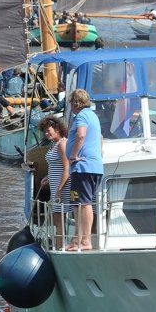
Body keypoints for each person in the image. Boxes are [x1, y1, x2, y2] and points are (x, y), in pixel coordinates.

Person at [65, 89, 103, 251]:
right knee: (77, 203)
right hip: (91, 167)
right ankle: (77, 239)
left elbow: (81, 135)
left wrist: (73, 156)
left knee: (83, 203)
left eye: (71, 103)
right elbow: (100, 138)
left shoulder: (81, 116)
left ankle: (84, 241)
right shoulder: (93, 115)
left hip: (83, 168)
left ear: (75, 103)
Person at [37, 116, 71, 246]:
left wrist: (59, 190)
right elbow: (56, 166)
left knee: (59, 218)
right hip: (55, 185)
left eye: (48, 130)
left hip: (61, 187)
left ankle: (59, 247)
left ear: (57, 129)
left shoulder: (62, 143)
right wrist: (48, 176)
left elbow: (67, 167)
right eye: (44, 131)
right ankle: (59, 245)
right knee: (57, 218)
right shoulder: (54, 144)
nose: (46, 134)